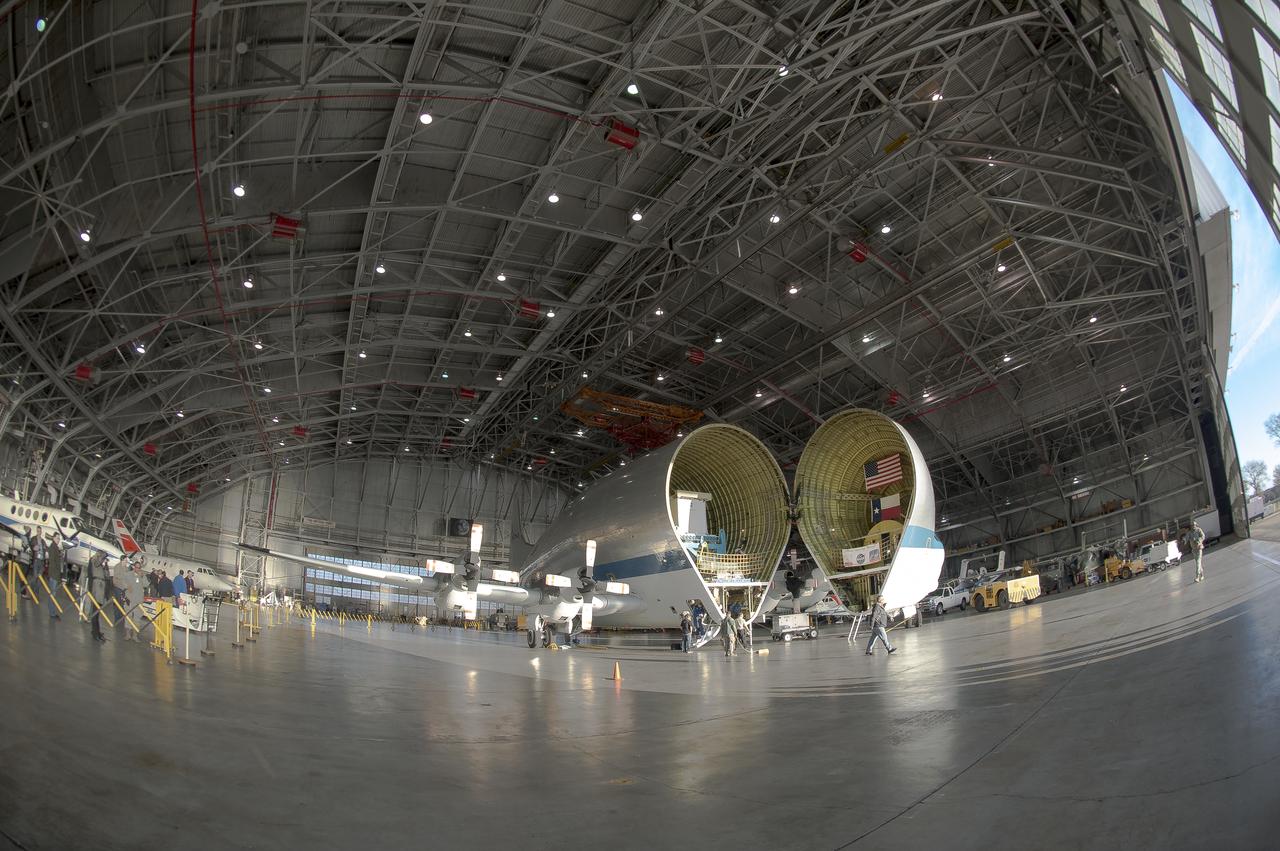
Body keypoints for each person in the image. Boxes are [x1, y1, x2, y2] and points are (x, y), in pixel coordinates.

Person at [85, 552, 108, 642]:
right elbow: (96, 563)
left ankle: (96, 631)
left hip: (101, 588)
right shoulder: (94, 560)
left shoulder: (101, 565)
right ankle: (95, 632)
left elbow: (107, 576)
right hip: (97, 588)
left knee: (97, 612)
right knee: (95, 611)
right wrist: (103, 556)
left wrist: (105, 566)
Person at [45, 532, 65, 620]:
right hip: (54, 575)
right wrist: (55, 575)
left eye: (59, 538)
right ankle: (52, 613)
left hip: (54, 574)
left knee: (53, 594)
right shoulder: (53, 547)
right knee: (52, 594)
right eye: (57, 538)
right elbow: (53, 562)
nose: (58, 540)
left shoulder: (55, 547)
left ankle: (52, 612)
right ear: (53, 538)